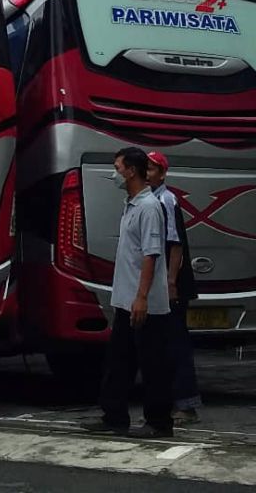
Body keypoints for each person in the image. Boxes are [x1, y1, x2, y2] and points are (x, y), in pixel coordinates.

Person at [86, 146, 173, 438]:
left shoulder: (149, 207)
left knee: (152, 364)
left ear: (131, 171)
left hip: (144, 303)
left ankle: (159, 422)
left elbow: (151, 255)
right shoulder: (131, 204)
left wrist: (142, 297)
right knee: (118, 362)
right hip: (125, 300)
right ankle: (114, 416)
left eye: (118, 168)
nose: (115, 174)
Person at [147, 150, 203, 425]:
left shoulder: (166, 200)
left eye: (152, 168)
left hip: (172, 284)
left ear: (162, 173)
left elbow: (175, 244)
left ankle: (186, 403)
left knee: (176, 343)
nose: (147, 172)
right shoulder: (151, 200)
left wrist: (170, 282)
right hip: (161, 282)